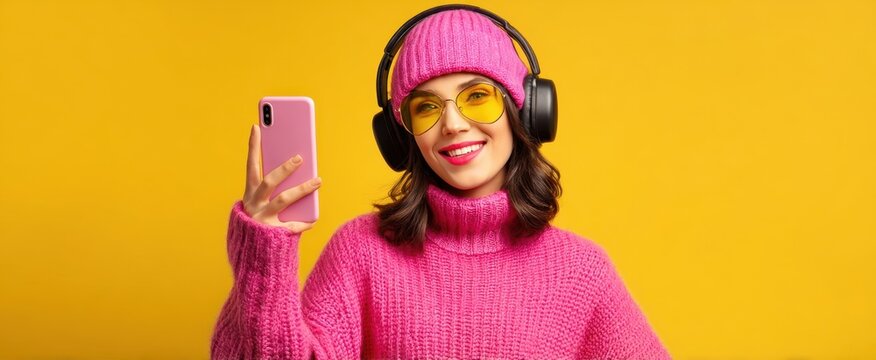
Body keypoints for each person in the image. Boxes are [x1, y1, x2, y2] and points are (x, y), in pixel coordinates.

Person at [210, 7, 671, 359]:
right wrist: (264, 258)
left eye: (476, 97)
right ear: (401, 133)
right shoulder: (360, 251)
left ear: (525, 113)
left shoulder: (580, 270)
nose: (452, 124)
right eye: (427, 107)